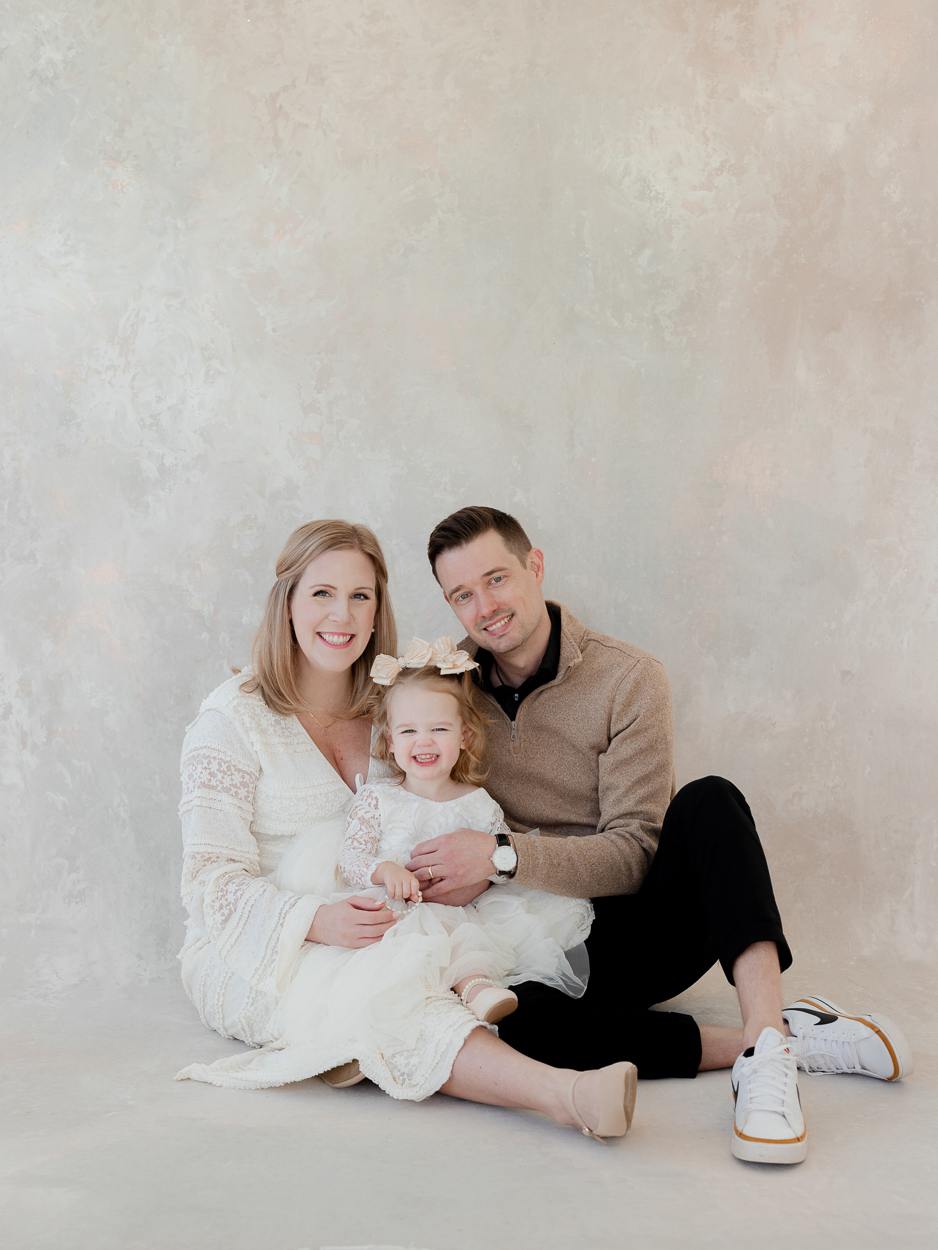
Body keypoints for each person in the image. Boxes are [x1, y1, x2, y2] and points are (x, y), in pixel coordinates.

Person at [401, 505, 913, 1165]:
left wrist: (500, 856)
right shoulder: (447, 694)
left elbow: (635, 855)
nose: (485, 607)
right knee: (505, 1027)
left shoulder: (628, 678)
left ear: (535, 566)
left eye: (496, 579)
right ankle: (780, 1040)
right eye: (462, 595)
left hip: (635, 926)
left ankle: (766, 1052)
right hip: (528, 939)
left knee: (710, 802)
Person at [175, 519, 636, 1141]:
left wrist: (466, 871)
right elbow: (209, 883)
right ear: (286, 602)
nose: (342, 613)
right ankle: (567, 1095)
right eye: (321, 593)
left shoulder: (395, 713)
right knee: (394, 997)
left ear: (376, 610)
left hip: (393, 915)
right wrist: (316, 920)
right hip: (264, 944)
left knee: (504, 978)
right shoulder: (233, 719)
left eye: (360, 596)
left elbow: (437, 806)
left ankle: (743, 1042)